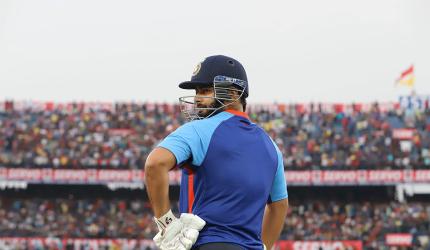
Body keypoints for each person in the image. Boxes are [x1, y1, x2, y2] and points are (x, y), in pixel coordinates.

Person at [145, 55, 289, 250]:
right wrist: (264, 246)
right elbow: (279, 206)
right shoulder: (271, 146)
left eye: (204, 90)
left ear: (231, 93)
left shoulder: (197, 129)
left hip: (206, 243)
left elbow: (155, 164)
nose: (196, 98)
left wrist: (167, 224)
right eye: (196, 91)